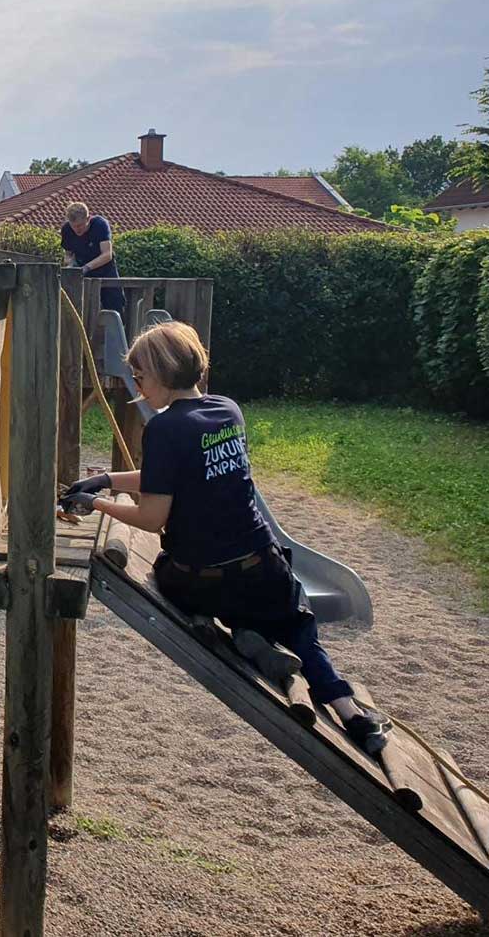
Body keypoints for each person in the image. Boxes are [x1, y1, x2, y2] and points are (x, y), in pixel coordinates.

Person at [60, 321, 388, 754]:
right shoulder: (227, 410)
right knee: (299, 623)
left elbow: (153, 517)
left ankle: (246, 631)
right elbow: (178, 476)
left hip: (198, 583)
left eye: (139, 376)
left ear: (159, 372)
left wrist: (95, 503)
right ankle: (351, 712)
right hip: (262, 570)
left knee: (172, 572)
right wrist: (104, 478)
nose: (137, 386)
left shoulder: (162, 429)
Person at [60, 201, 124, 312]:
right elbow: (68, 254)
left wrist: (86, 267)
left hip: (106, 273)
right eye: (73, 226)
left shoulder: (100, 225)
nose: (77, 229)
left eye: (80, 225)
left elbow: (107, 254)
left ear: (88, 218)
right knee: (83, 309)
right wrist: (70, 264)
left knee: (115, 307)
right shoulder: (66, 230)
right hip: (82, 276)